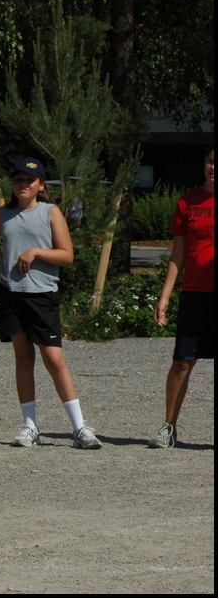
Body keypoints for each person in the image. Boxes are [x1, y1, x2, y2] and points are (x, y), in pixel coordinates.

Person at [0, 157, 102, 449]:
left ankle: (80, 428)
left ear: (41, 185)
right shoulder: (4, 213)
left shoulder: (50, 212)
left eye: (30, 180)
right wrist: (3, 258)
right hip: (11, 293)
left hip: (42, 294)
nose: (23, 184)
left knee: (54, 359)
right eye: (18, 179)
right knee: (23, 358)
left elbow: (67, 255)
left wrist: (34, 252)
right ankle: (30, 426)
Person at [148, 149, 215, 448]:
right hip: (195, 293)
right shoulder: (187, 202)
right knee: (182, 362)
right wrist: (165, 296)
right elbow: (178, 254)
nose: (214, 167)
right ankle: (168, 427)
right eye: (211, 161)